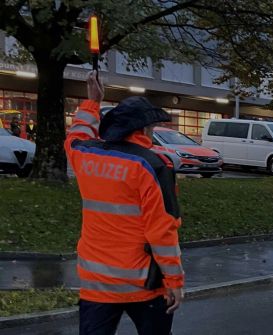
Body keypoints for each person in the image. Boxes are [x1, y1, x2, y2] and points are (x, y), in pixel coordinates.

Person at [65, 71, 184, 335]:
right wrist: (174, 280)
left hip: (97, 284)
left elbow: (76, 135)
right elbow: (162, 231)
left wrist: (92, 101)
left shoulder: (85, 155)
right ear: (143, 129)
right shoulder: (153, 166)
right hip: (144, 284)